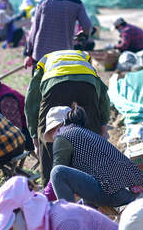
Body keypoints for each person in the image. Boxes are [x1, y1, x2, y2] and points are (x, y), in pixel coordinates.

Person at [25, 49, 112, 185]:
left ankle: (51, 187)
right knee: (91, 135)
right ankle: (94, 184)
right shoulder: (85, 60)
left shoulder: (44, 62)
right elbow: (103, 98)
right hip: (86, 84)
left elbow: (32, 101)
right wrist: (102, 128)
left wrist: (36, 139)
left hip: (54, 85)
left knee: (48, 137)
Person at [45, 105, 143, 209]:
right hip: (134, 191)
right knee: (87, 178)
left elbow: (55, 181)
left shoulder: (63, 138)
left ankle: (70, 215)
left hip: (115, 193)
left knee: (57, 172)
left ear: (60, 125)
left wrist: (41, 199)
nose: (53, 137)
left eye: (52, 131)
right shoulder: (85, 133)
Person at [25, 0, 93, 69]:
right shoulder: (77, 3)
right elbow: (87, 26)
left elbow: (33, 31)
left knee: (39, 79)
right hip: (64, 56)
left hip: (41, 56)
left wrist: (29, 53)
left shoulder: (43, 2)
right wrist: (84, 35)